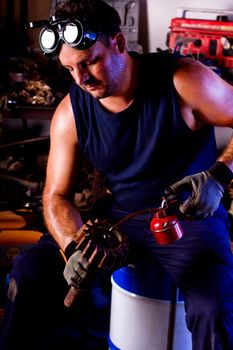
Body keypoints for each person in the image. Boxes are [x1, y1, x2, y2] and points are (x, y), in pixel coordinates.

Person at [1, 0, 233, 349]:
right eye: (69, 69)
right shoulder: (72, 111)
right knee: (28, 274)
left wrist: (220, 174)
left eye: (89, 62)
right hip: (119, 217)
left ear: (119, 44)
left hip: (188, 218)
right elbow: (55, 196)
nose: (80, 79)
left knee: (213, 308)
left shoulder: (183, 80)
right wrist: (73, 247)